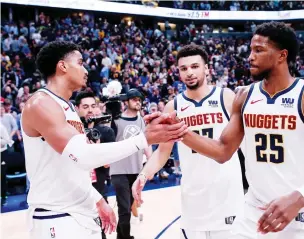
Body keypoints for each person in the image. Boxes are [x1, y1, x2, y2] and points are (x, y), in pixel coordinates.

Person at [178, 22, 304, 238]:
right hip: (254, 214)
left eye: (258, 50)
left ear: (281, 56)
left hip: (301, 212)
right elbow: (222, 151)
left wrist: (299, 197)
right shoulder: (245, 96)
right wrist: (180, 132)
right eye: (250, 49)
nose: (250, 57)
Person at [21, 41, 188, 239]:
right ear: (62, 66)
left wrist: (97, 199)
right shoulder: (40, 104)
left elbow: (72, 166)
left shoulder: (69, 108)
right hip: (56, 217)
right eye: (80, 62)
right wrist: (144, 139)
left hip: (81, 212)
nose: (85, 69)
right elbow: (83, 156)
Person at [132, 44, 245, 239]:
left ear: (206, 69)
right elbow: (162, 152)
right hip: (193, 202)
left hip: (228, 200)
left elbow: (245, 147)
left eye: (195, 66)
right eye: (184, 69)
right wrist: (143, 176)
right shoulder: (173, 106)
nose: (189, 73)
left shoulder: (226, 97)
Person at [109, 89, 152, 239]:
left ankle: (121, 236)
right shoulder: (116, 120)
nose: (138, 102)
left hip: (136, 170)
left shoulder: (141, 120)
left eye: (139, 99)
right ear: (126, 102)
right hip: (118, 170)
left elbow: (147, 143)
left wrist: (151, 163)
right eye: (134, 99)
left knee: (127, 206)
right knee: (124, 208)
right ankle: (125, 237)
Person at [75, 91, 116, 239]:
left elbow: (107, 164)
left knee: (100, 234)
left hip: (98, 192)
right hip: (74, 194)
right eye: (85, 106)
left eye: (93, 106)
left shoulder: (106, 132)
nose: (90, 110)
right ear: (77, 109)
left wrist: (97, 150)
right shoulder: (69, 132)